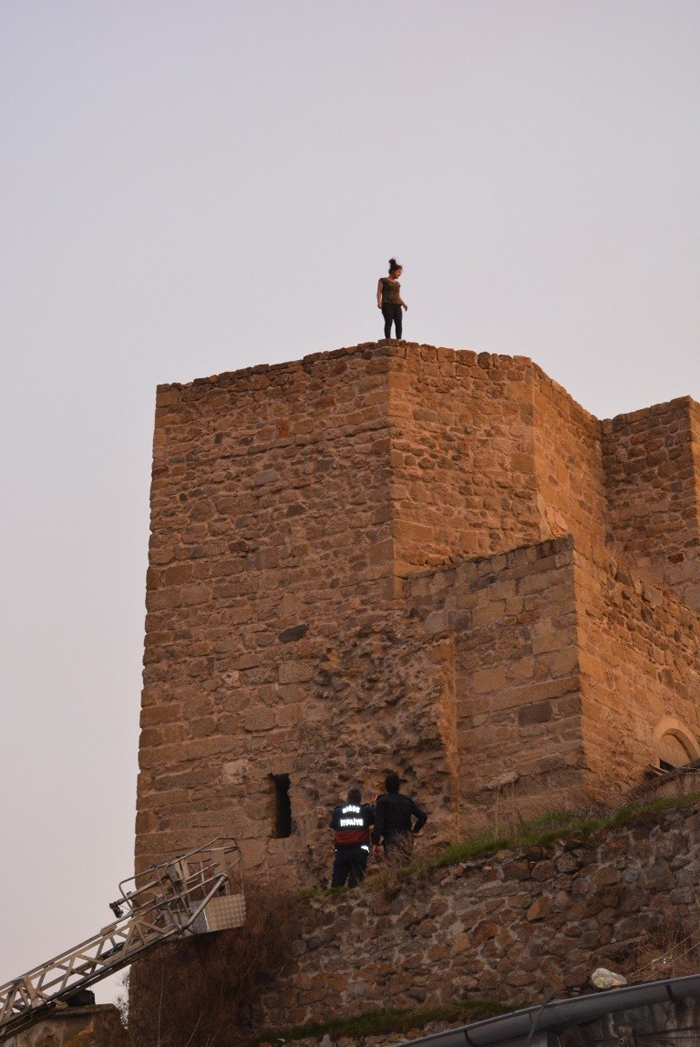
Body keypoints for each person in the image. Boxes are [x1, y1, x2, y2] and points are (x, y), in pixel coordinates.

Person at [371, 772, 427, 865]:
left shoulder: (382, 801)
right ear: (398, 786)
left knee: (394, 868)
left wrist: (375, 843)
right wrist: (414, 831)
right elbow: (423, 816)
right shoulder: (406, 800)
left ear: (386, 786)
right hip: (406, 837)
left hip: (391, 837)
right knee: (405, 867)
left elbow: (379, 823)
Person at [329, 787, 375, 888]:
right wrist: (373, 806)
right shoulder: (365, 810)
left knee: (337, 880)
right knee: (356, 881)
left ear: (347, 798)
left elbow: (332, 825)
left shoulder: (338, 811)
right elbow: (374, 819)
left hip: (341, 850)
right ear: (360, 799)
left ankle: (335, 900)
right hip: (359, 850)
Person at [376, 258, 408, 340]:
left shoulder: (397, 284)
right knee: (388, 322)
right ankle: (388, 339)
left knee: (398, 323)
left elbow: (397, 295)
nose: (399, 274)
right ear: (393, 271)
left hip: (397, 304)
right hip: (387, 303)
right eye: (398, 272)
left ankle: (399, 340)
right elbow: (379, 291)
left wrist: (403, 304)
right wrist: (379, 302)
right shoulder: (383, 280)